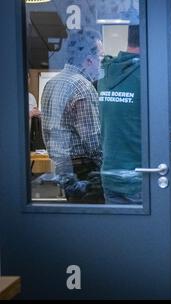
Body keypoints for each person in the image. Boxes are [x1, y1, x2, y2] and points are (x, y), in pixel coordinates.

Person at [97, 25, 171, 204]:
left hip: (110, 175)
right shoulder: (156, 75)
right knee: (147, 232)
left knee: (118, 232)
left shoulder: (105, 71)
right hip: (142, 179)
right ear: (154, 42)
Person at [41, 29, 105, 204]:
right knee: (94, 225)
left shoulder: (51, 84)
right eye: (101, 57)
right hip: (85, 170)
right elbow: (93, 142)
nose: (102, 62)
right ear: (89, 60)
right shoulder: (83, 86)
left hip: (62, 167)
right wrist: (107, 169)